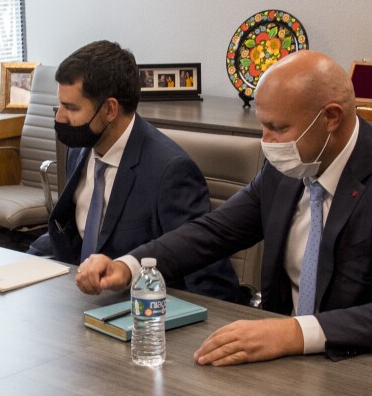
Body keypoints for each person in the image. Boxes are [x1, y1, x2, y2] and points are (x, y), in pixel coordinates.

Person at [77, 50, 372, 364]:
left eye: (279, 128)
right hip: (279, 359)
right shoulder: (287, 170)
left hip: (360, 362)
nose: (266, 142)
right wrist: (132, 265)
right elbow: (213, 231)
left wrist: (296, 332)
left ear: (331, 118)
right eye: (263, 125)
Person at [28, 40, 239, 302]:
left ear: (109, 110)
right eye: (61, 104)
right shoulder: (80, 148)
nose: (59, 117)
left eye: (71, 108)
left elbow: (209, 279)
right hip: (80, 300)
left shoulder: (170, 171)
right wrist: (23, 264)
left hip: (141, 313)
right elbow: (74, 235)